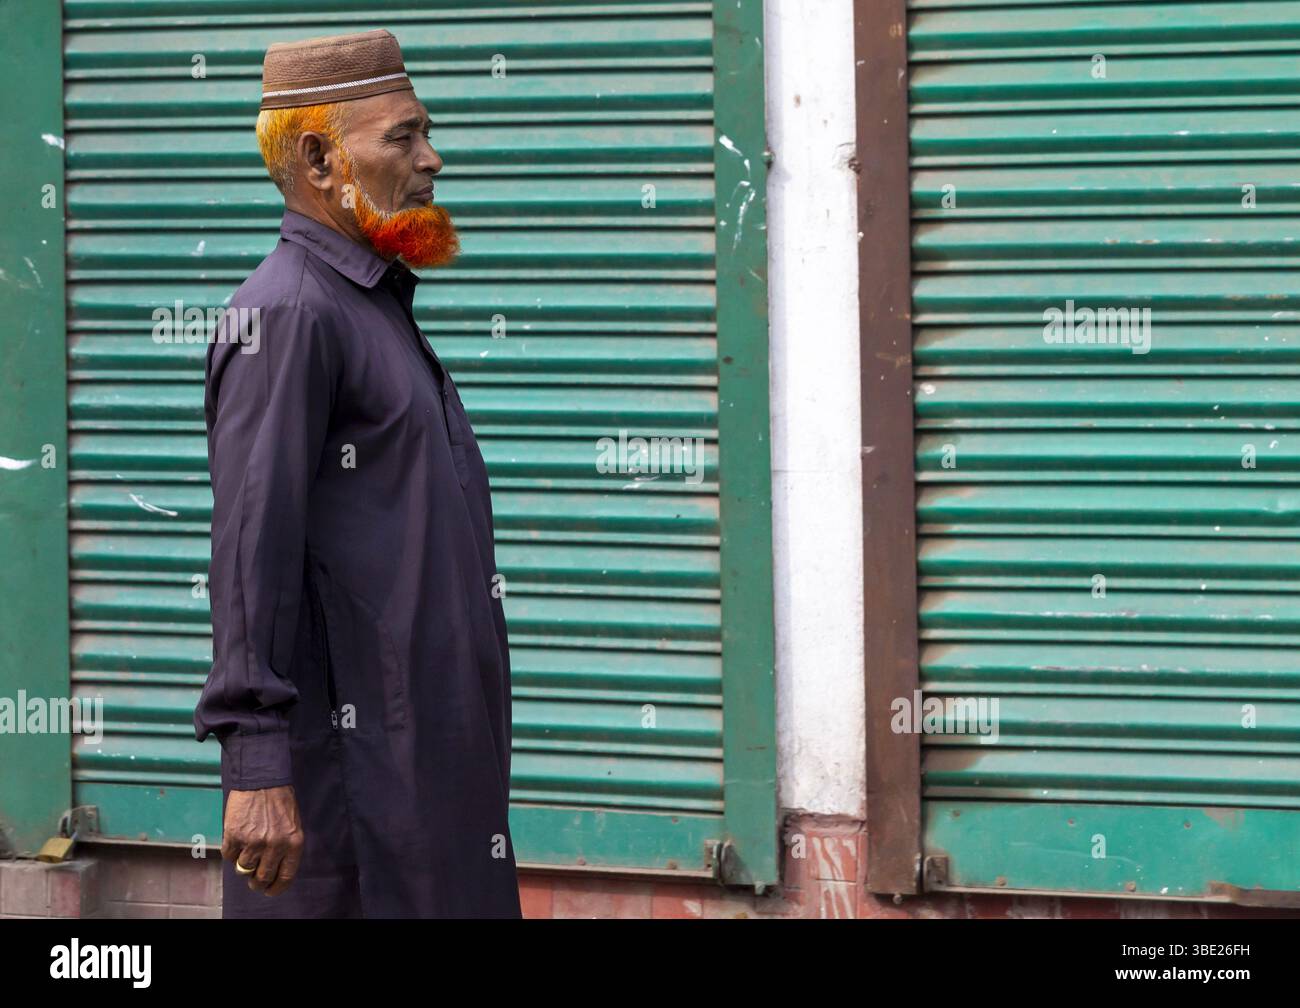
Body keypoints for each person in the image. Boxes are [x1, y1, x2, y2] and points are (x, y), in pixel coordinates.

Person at [193, 28, 521, 918]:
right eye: (404, 138)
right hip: (354, 807)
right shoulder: (289, 315)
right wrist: (257, 765)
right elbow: (251, 550)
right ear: (318, 158)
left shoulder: (368, 306)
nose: (432, 159)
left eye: (426, 134)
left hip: (425, 783)